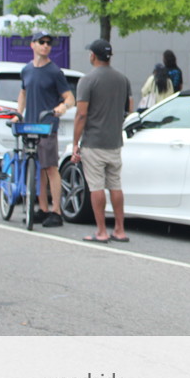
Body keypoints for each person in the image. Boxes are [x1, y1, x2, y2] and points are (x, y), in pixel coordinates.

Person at [72, 39, 133, 243]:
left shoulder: (87, 80)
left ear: (93, 55)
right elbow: (129, 108)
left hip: (94, 142)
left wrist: (75, 143)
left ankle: (101, 231)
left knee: (96, 187)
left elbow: (81, 114)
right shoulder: (123, 79)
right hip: (114, 142)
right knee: (115, 185)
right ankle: (120, 230)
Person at [18, 30, 75, 228]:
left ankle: (56, 211)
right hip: (29, 125)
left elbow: (70, 98)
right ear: (32, 45)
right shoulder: (26, 70)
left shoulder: (54, 72)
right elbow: (23, 93)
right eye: (41, 42)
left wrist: (62, 107)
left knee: (50, 167)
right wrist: (18, 113)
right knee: (37, 168)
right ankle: (42, 209)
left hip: (47, 126)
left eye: (48, 43)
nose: (45, 45)